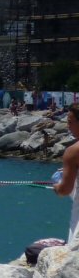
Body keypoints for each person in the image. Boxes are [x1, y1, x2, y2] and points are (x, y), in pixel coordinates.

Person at [53, 103, 79, 244]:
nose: (68, 126)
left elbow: (65, 190)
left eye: (70, 122)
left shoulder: (73, 151)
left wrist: (56, 186)